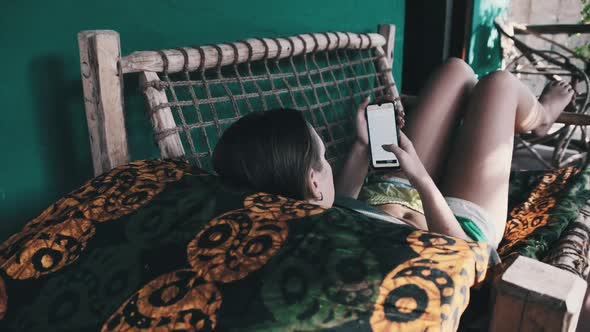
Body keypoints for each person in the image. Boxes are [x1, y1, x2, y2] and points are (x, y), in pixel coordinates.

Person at [212, 58, 574, 254]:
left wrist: (361, 146)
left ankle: (468, 137)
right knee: (500, 83)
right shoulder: (334, 250)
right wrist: (420, 176)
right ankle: (541, 119)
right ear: (311, 182)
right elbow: (466, 257)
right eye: (322, 156)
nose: (327, 160)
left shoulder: (298, 210)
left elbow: (342, 200)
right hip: (458, 228)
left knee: (456, 70)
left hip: (393, 191)